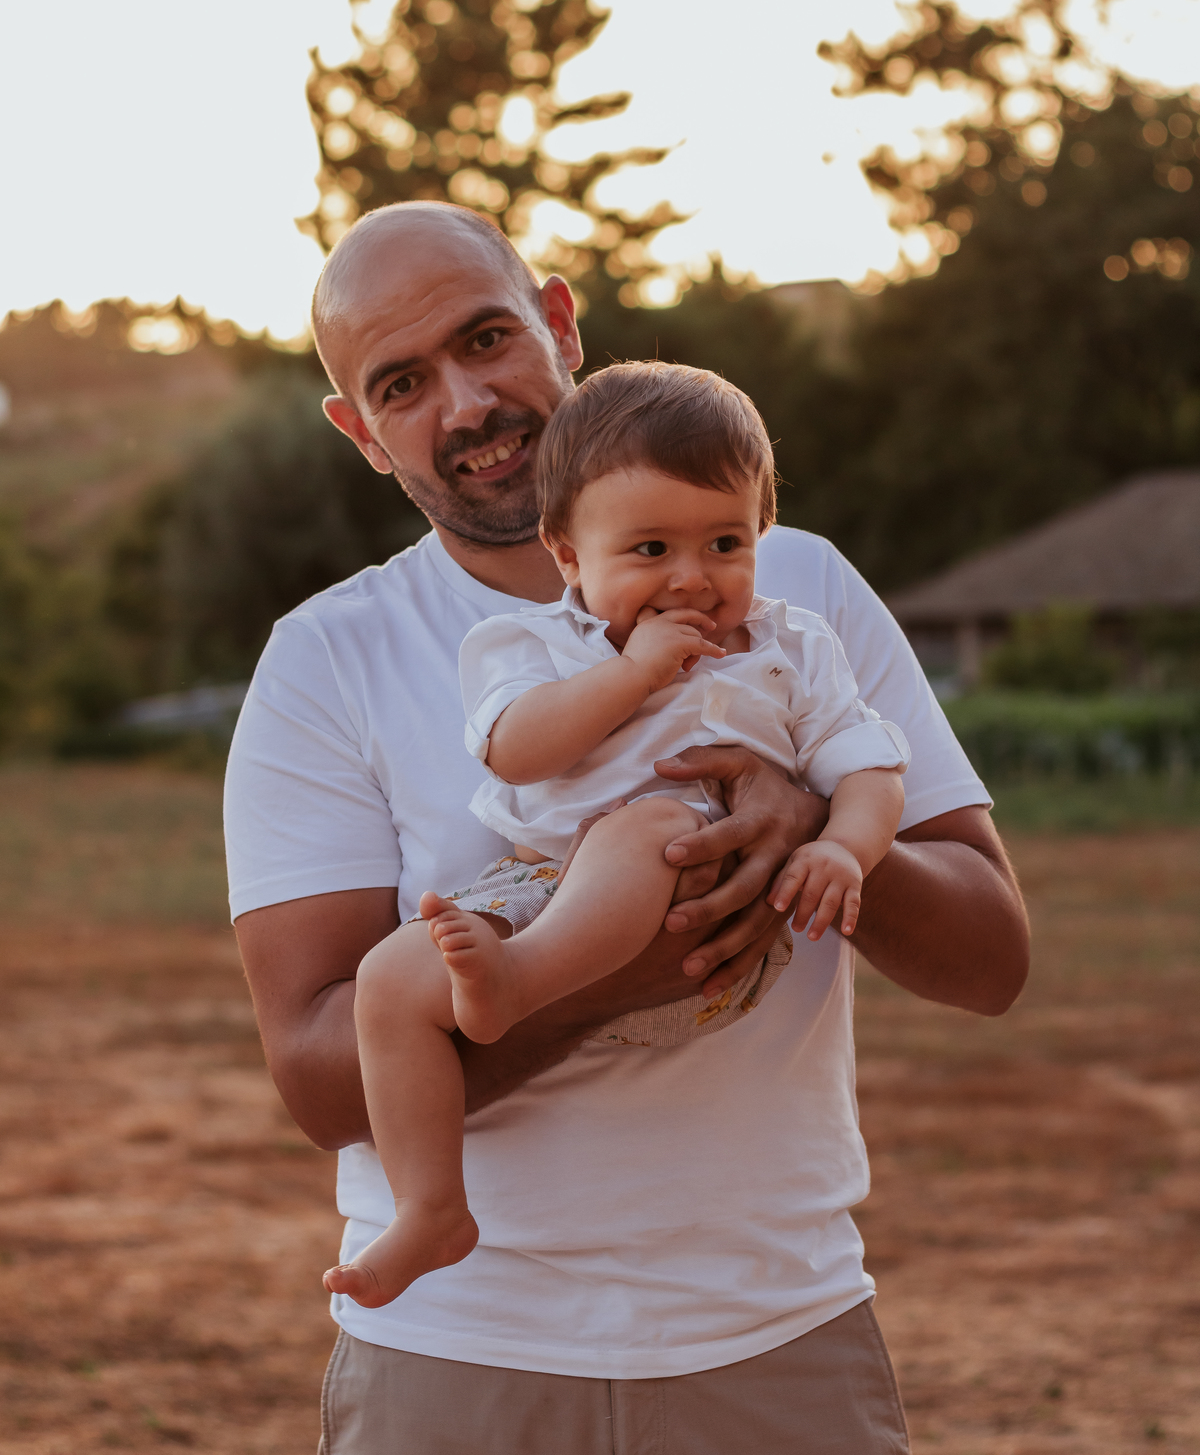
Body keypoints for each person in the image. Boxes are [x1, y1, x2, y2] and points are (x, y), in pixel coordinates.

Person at [226, 201, 1029, 1454]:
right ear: (363, 435)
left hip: (777, 1336)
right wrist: (605, 977)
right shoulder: (326, 661)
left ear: (558, 322)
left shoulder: (797, 589)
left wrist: (810, 827)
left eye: (487, 339)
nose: (467, 404)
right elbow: (322, 1080)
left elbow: (992, 960)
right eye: (402, 385)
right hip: (458, 1350)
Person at [321, 361, 910, 1310]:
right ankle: (431, 1208)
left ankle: (516, 982)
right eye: (647, 551)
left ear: (762, 532)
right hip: (541, 888)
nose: (691, 577)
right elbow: (516, 752)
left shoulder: (792, 649)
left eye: (725, 542)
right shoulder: (537, 650)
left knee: (646, 824)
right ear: (568, 555)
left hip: (701, 908)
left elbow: (868, 764)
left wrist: (844, 846)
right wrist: (632, 675)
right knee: (389, 983)